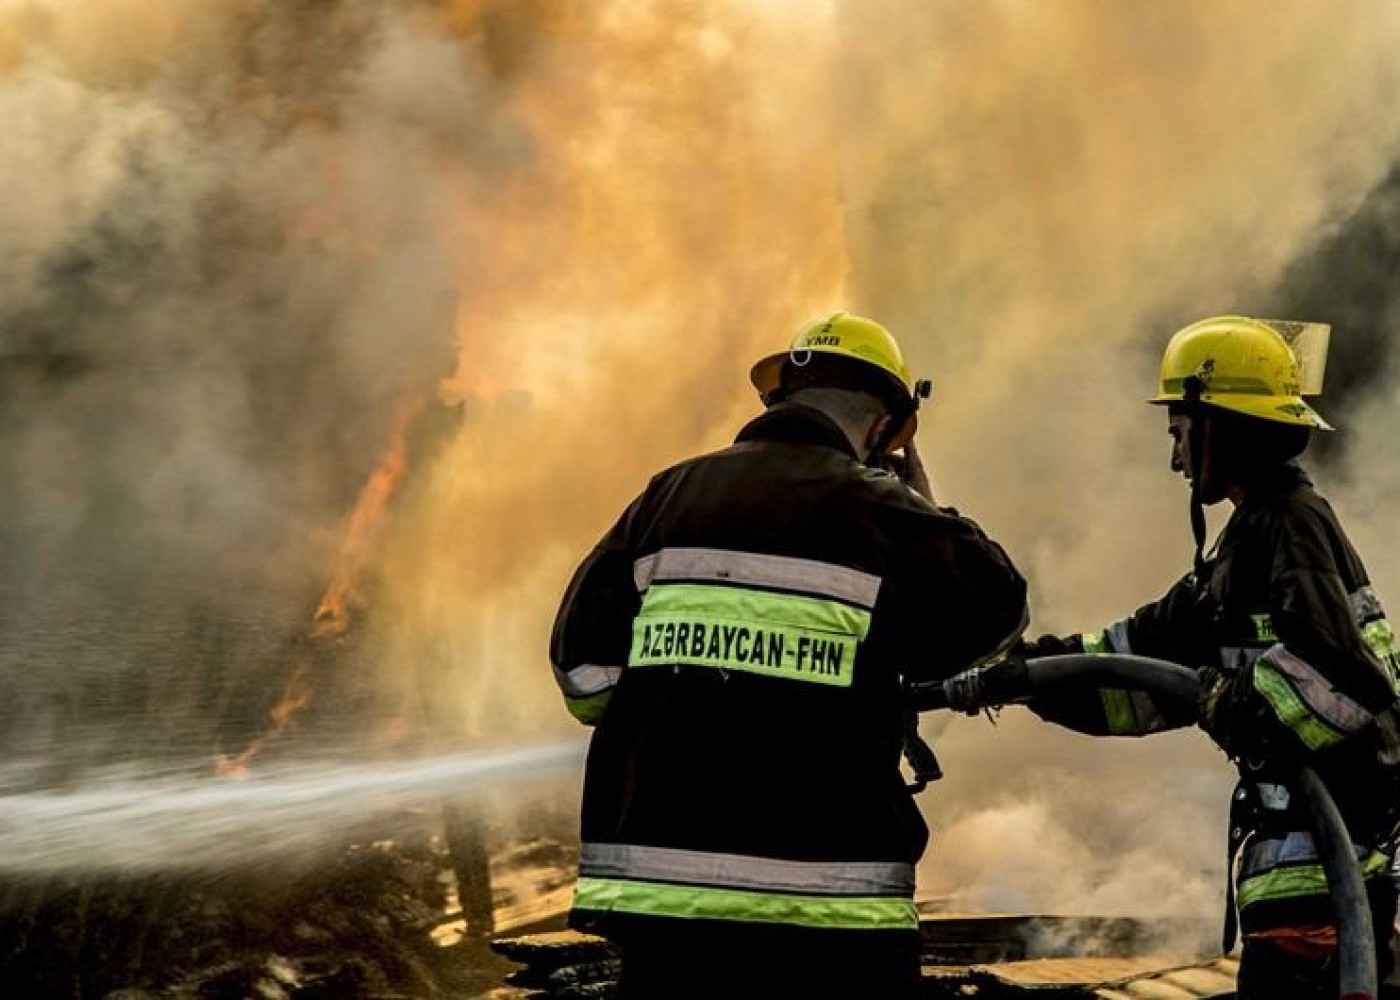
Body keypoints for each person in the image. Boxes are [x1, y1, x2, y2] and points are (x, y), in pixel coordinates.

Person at [548, 311, 1029, 999]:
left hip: (663, 905)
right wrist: (928, 504)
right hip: (829, 907)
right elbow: (998, 605)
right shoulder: (878, 508)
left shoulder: (668, 495)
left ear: (777, 401)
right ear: (886, 428)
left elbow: (584, 680)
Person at [971, 315, 1400, 999]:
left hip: (1322, 890)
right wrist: (1019, 674)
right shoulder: (1244, 548)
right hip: (1297, 882)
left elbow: (1348, 682)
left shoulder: (1291, 524)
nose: (1173, 457)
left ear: (1221, 427)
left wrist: (1236, 701)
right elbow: (1133, 665)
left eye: (1179, 431)